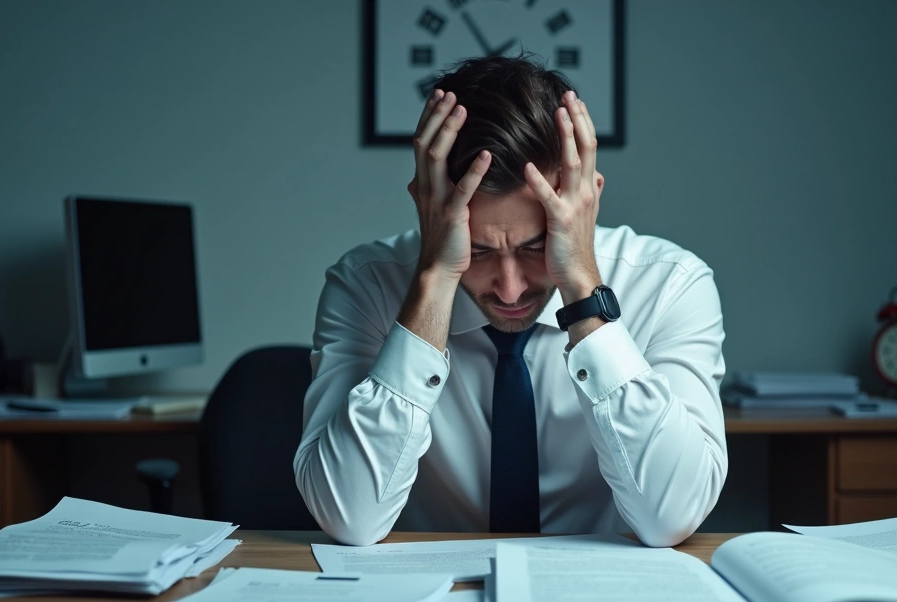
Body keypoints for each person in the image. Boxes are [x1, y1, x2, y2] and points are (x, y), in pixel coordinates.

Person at [294, 54, 727, 547]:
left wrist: (582, 288)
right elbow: (349, 517)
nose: (510, 288)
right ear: (431, 215)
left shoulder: (670, 284)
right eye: (476, 250)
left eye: (536, 246)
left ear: (586, 204)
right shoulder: (366, 286)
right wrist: (435, 277)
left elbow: (671, 517)